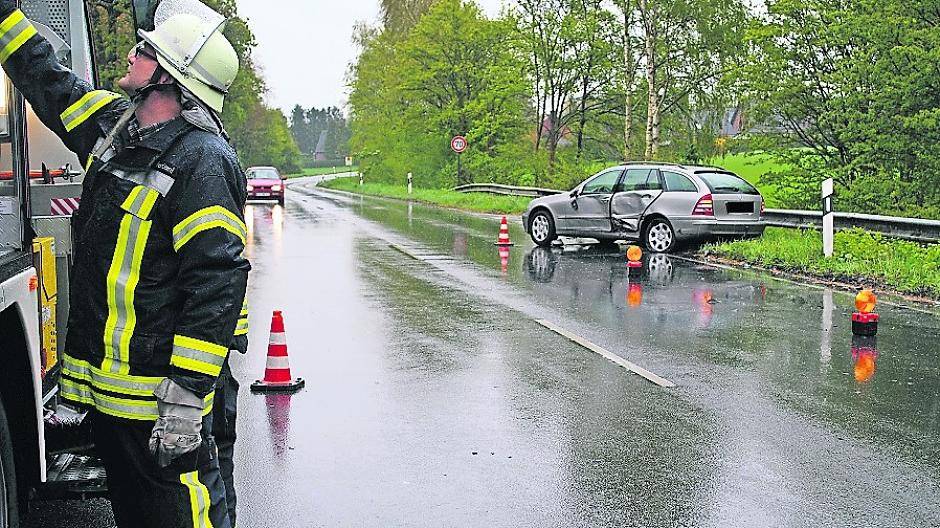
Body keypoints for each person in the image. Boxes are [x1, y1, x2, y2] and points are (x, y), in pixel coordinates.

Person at [0, 2, 249, 526]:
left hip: (158, 411)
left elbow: (216, 285)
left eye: (146, 50)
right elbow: (50, 83)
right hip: (112, 408)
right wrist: (5, 17)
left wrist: (185, 400)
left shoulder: (202, 162)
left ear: (167, 78)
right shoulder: (116, 131)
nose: (133, 55)